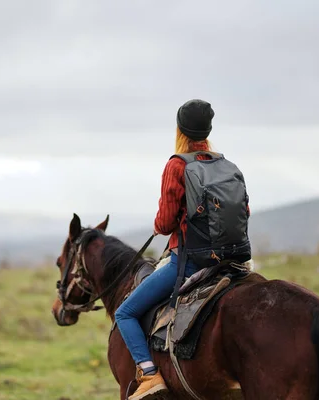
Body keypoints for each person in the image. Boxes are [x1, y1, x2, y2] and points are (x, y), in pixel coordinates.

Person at [115, 99, 231, 400]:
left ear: (180, 129)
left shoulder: (178, 164)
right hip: (233, 260)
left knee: (125, 313)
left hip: (192, 261)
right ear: (208, 129)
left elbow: (165, 223)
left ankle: (150, 375)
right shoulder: (224, 165)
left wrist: (159, 223)